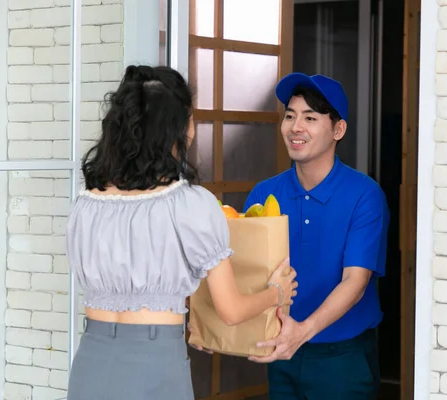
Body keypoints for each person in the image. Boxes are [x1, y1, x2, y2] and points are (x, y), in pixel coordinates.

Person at [65, 65, 298, 400]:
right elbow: (231, 310)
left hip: (90, 363)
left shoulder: (85, 206)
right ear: (175, 129)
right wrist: (277, 291)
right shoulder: (190, 205)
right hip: (155, 369)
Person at [243, 73, 390, 399]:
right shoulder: (264, 194)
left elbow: (355, 280)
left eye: (310, 118)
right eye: (290, 116)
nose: (296, 127)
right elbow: (246, 273)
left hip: (343, 358)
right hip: (281, 350)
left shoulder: (364, 195)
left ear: (338, 130)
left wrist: (303, 332)